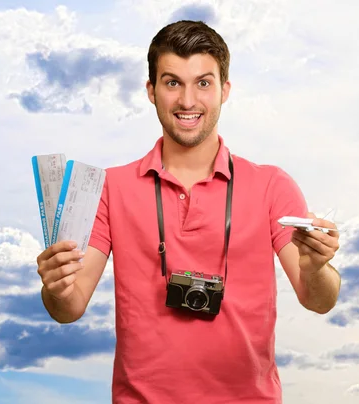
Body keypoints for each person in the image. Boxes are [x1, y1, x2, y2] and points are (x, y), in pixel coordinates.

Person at [36, 20, 341, 403]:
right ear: (151, 91)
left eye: (203, 83)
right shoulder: (109, 187)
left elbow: (320, 300)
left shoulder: (271, 185)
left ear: (224, 90)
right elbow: (69, 308)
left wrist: (315, 269)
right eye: (172, 82)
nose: (187, 101)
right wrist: (55, 286)